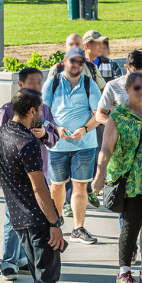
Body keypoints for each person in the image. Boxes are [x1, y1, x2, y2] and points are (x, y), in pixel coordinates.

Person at [0, 89, 73, 283]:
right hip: (37, 221)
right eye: (39, 110)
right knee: (46, 278)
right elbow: (40, 189)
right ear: (31, 112)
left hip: (17, 219)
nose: (42, 115)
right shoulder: (27, 143)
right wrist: (55, 224)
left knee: (41, 274)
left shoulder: (0, 134)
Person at [93, 72, 142, 283]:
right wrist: (99, 176)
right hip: (130, 180)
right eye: (137, 88)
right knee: (131, 226)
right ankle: (124, 272)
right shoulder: (118, 116)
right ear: (127, 89)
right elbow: (106, 149)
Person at [0, 68, 59, 281]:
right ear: (21, 85)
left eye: (39, 83)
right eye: (32, 83)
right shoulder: (7, 110)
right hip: (16, 176)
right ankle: (8, 261)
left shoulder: (45, 109)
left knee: (33, 220)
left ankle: (25, 259)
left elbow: (55, 137)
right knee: (11, 218)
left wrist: (45, 134)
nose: (37, 86)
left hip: (39, 172)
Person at [42, 47, 102, 245]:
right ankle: (55, 224)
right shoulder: (53, 82)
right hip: (58, 145)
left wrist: (84, 129)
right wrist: (56, 128)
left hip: (84, 144)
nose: (76, 65)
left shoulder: (89, 83)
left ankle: (78, 229)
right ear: (65, 61)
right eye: (72, 61)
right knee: (57, 186)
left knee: (80, 186)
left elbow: (98, 115)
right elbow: (43, 113)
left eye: (80, 61)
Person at [97, 50, 142, 115]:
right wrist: (116, 124)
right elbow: (100, 114)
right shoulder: (112, 86)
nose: (138, 78)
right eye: (134, 74)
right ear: (126, 67)